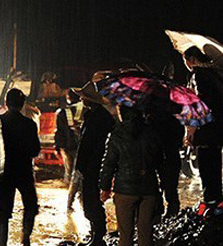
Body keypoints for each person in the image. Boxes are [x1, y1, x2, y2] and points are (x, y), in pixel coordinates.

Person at [99, 106, 163, 246]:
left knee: (125, 235)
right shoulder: (151, 132)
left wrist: (105, 187)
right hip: (148, 189)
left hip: (125, 191)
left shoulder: (117, 134)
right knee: (146, 235)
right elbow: (160, 161)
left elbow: (109, 163)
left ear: (122, 114)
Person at [72, 83, 116, 246]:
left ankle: (98, 237)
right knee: (89, 202)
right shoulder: (92, 115)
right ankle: (95, 234)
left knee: (92, 203)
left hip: (94, 167)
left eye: (84, 97)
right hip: (89, 167)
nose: (81, 99)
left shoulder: (101, 118)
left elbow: (95, 145)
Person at [181, 47, 223, 216]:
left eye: (185, 60)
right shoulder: (216, 75)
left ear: (191, 59)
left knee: (207, 166)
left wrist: (192, 127)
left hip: (206, 131)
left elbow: (202, 104)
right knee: (214, 165)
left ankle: (211, 202)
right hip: (217, 130)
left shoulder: (198, 75)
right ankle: (216, 200)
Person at [0, 89, 40, 246]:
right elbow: (35, 150)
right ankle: (25, 238)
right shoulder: (29, 125)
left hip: (3, 172)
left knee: (3, 211)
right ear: (22, 105)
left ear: (6, 103)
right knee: (31, 205)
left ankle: (2, 243)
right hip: (24, 172)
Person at [56, 90, 84, 210]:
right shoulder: (87, 110)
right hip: (83, 147)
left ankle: (70, 202)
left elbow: (59, 132)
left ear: (68, 97)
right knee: (80, 173)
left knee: (71, 173)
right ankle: (81, 200)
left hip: (68, 147)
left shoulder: (63, 112)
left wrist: (58, 146)